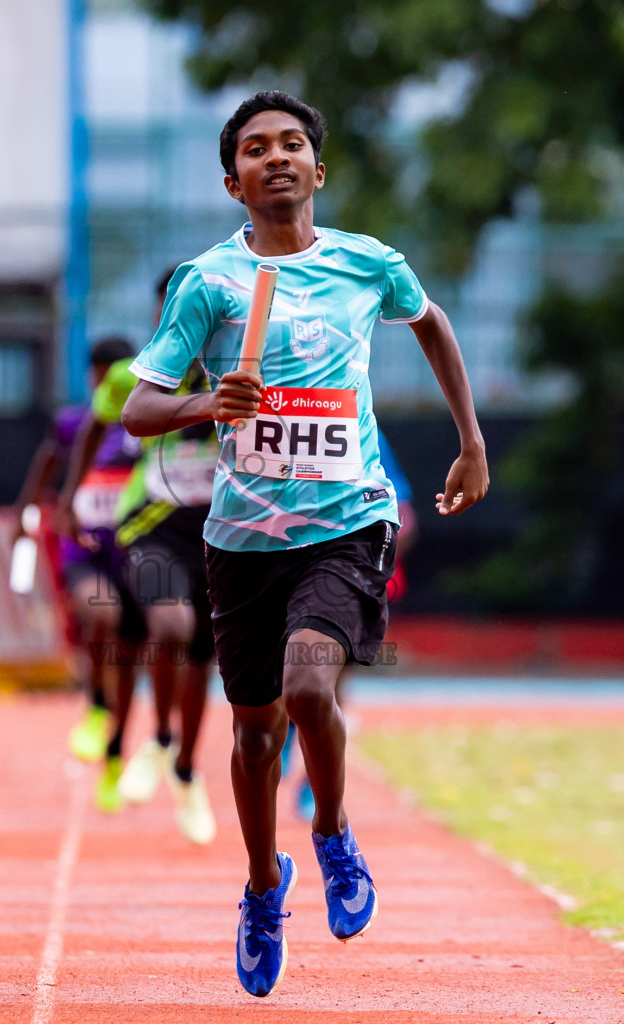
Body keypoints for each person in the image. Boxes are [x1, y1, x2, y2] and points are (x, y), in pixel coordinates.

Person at [117, 91, 488, 997]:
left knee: (310, 685)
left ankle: (332, 834)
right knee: (250, 736)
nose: (275, 158)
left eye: (292, 146)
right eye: (255, 149)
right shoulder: (206, 285)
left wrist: (471, 440)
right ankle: (259, 885)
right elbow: (138, 410)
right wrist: (209, 402)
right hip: (242, 542)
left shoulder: (368, 264)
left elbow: (431, 321)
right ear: (233, 180)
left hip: (348, 522)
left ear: (318, 171)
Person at [59, 271, 218, 842]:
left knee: (203, 661)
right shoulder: (135, 375)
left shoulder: (241, 370)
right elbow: (92, 425)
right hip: (148, 528)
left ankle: (183, 768)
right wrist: (72, 496)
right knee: (169, 623)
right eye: (169, 311)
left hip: (219, 533)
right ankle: (158, 739)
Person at [14, 337, 143, 764]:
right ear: (93, 377)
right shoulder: (73, 423)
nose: (113, 386)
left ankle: (117, 745)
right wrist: (26, 509)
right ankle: (95, 704)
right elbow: (48, 461)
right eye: (106, 377)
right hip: (84, 548)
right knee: (101, 611)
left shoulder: (146, 423)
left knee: (129, 654)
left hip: (132, 552)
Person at [281, 427, 416, 823]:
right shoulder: (273, 418)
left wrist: (375, 563)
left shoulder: (360, 426)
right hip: (282, 558)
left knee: (331, 681)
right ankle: (290, 730)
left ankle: (312, 785)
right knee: (290, 673)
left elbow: (405, 513)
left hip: (345, 570)